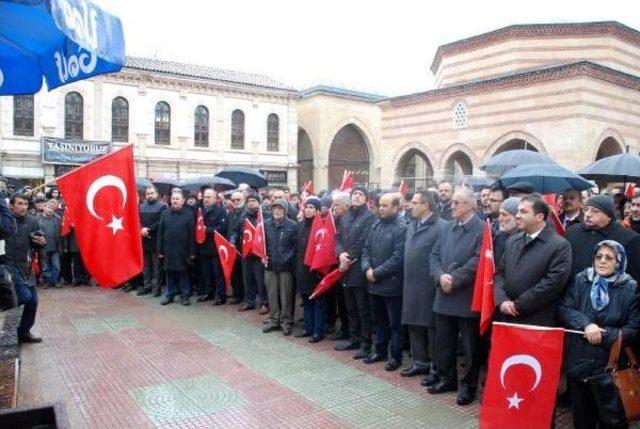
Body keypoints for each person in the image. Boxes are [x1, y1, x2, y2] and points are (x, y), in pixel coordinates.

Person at [558, 240, 640, 429]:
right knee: (582, 420)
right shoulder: (581, 280)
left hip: (610, 369)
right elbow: (564, 309)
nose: (602, 261)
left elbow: (634, 329)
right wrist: (586, 325)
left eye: (609, 258)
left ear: (619, 261)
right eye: (598, 256)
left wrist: (603, 335)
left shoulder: (630, 288)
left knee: (611, 421)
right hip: (580, 364)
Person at [428, 187, 484, 405]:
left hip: (466, 296)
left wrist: (454, 279)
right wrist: (441, 276)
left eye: (456, 203)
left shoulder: (482, 230)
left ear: (470, 205)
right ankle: (447, 378)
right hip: (444, 293)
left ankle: (468, 386)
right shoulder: (446, 228)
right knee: (444, 341)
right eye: (451, 202)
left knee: (470, 347)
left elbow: (478, 261)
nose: (451, 206)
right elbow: (433, 256)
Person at [494, 196, 572, 326]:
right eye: (518, 211)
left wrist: (518, 305)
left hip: (536, 321)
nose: (517, 216)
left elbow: (552, 283)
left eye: (523, 212)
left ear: (539, 217)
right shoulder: (513, 241)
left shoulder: (559, 246)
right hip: (506, 317)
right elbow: (500, 273)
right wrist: (502, 300)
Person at [401, 190, 446, 380]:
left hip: (429, 286)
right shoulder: (412, 224)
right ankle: (420, 362)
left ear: (426, 205)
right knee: (413, 325)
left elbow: (441, 256)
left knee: (431, 328)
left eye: (415, 202)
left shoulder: (441, 226)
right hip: (410, 284)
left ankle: (435, 367)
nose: (410, 206)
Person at [361, 193, 407, 370]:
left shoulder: (402, 227)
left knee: (394, 324)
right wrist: (366, 269)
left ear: (396, 207)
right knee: (378, 321)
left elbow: (398, 257)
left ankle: (395, 356)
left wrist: (376, 273)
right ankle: (379, 351)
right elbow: (366, 249)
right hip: (374, 284)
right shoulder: (376, 224)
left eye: (385, 205)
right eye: (380, 205)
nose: (380, 208)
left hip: (392, 285)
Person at [334, 187, 376, 359]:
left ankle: (366, 343)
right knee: (350, 307)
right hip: (345, 269)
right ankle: (354, 338)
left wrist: (348, 256)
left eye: (360, 194)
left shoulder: (370, 217)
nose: (356, 197)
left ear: (366, 199)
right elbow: (337, 238)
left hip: (358, 269)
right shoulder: (346, 216)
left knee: (362, 308)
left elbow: (363, 241)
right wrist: (340, 253)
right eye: (354, 194)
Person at [566, 195, 640, 283]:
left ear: (609, 216)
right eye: (586, 209)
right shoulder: (572, 231)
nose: (588, 214)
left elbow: (633, 279)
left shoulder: (629, 238)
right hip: (572, 293)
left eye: (595, 211)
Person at [4, 194, 45, 343]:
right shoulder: (5, 222)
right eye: (20, 204)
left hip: (26, 267)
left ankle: (24, 332)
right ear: (11, 206)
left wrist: (41, 241)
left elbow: (38, 241)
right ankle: (9, 332)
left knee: (33, 301)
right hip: (8, 266)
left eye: (26, 204)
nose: (23, 207)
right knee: (23, 297)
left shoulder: (32, 221)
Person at [262, 199, 297, 336]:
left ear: (285, 210)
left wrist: (286, 259)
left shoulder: (292, 225)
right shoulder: (265, 225)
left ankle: (286, 321)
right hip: (270, 265)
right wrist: (262, 255)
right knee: (272, 294)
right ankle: (274, 319)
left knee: (286, 294)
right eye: (275, 208)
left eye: (280, 208)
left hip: (286, 267)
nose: (277, 211)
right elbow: (261, 243)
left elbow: (295, 247)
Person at [295, 197, 326, 342]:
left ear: (318, 211)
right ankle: (308, 328)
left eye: (312, 207)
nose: (308, 210)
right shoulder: (300, 226)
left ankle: (318, 331)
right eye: (306, 207)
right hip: (302, 269)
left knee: (318, 302)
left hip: (316, 271)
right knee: (306, 301)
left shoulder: (321, 226)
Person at [158, 191, 196, 306]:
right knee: (169, 274)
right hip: (168, 250)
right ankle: (169, 295)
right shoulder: (165, 213)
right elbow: (160, 233)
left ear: (183, 201)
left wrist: (192, 252)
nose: (174, 201)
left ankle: (185, 295)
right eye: (173, 199)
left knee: (183, 274)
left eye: (177, 199)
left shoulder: (189, 214)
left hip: (183, 251)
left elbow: (192, 235)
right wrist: (159, 250)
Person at [197, 188, 228, 305]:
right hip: (204, 247)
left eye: (209, 196)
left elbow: (222, 227)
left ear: (215, 198)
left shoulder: (221, 211)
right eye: (205, 196)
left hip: (216, 247)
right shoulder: (201, 211)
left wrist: (207, 230)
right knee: (206, 273)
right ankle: (208, 293)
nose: (206, 199)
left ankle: (221, 296)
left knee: (218, 274)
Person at [326, 192, 351, 341]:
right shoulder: (335, 219)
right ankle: (344, 328)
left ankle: (349, 330)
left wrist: (344, 256)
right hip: (336, 265)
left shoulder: (349, 220)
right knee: (340, 300)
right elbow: (336, 240)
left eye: (336, 204)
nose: (333, 207)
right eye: (333, 204)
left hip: (348, 266)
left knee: (348, 303)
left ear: (346, 206)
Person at [238, 195, 269, 313]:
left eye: (253, 201)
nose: (251, 203)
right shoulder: (243, 216)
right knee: (247, 279)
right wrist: (232, 240)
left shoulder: (264, 215)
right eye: (249, 201)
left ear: (259, 203)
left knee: (261, 280)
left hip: (259, 254)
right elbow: (236, 231)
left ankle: (264, 303)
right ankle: (249, 301)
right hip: (246, 253)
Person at [137, 186, 166, 297]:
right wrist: (141, 229)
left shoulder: (162, 207)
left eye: (152, 193)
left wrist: (148, 229)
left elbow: (161, 222)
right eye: (148, 193)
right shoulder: (140, 207)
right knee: (146, 266)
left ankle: (156, 288)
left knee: (156, 267)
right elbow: (136, 220)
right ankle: (147, 286)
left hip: (156, 241)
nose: (149, 195)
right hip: (143, 241)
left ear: (156, 194)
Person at [226, 191, 245, 304]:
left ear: (243, 200)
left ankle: (244, 296)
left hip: (242, 249)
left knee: (243, 275)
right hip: (231, 248)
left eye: (238, 200)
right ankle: (237, 294)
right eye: (234, 200)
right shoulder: (230, 214)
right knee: (234, 274)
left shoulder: (245, 213)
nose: (236, 202)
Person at [38, 200, 61, 289]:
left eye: (52, 208)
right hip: (43, 247)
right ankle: (47, 282)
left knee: (56, 266)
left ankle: (55, 281)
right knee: (45, 266)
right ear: (44, 207)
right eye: (48, 207)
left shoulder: (57, 218)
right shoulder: (38, 219)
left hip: (55, 247)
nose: (50, 210)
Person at [492, 197, 520, 263]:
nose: (499, 219)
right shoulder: (498, 237)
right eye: (500, 214)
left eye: (504, 215)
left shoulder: (526, 241)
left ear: (518, 217)